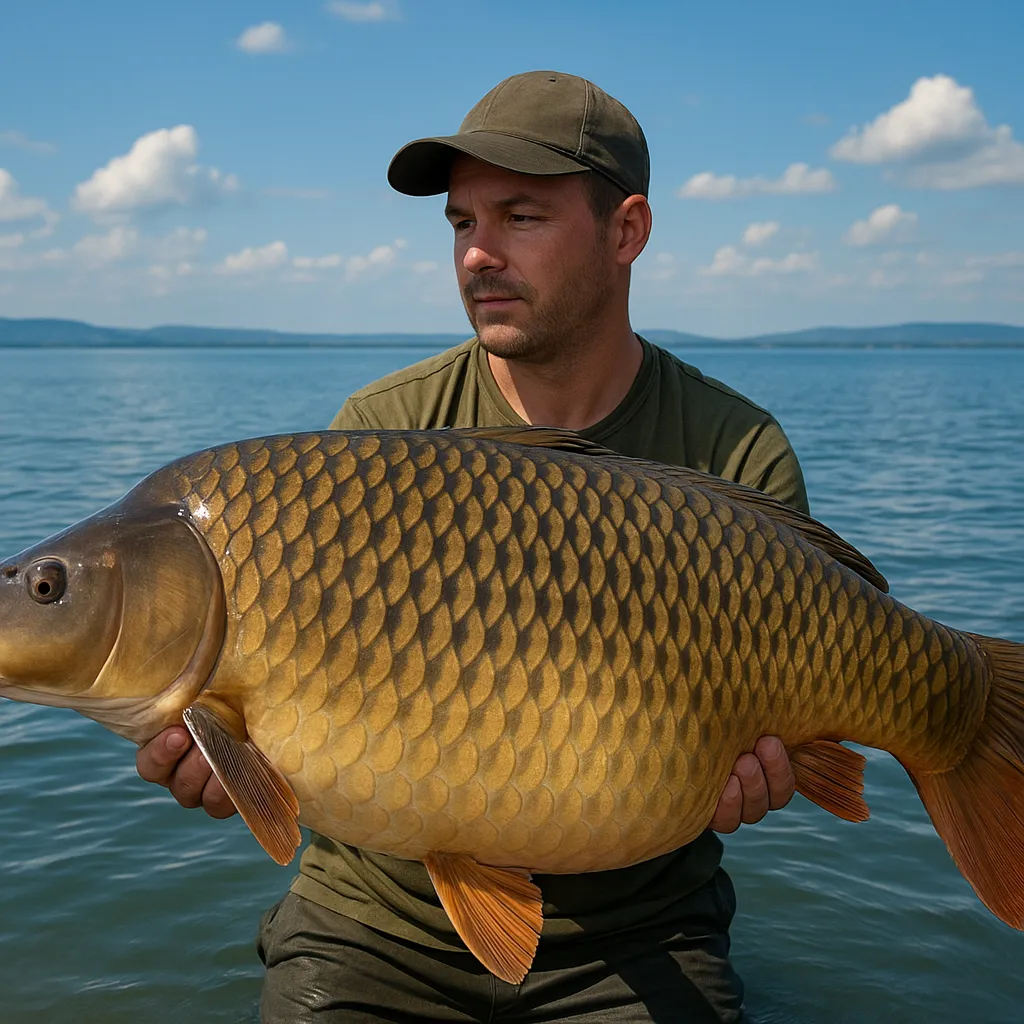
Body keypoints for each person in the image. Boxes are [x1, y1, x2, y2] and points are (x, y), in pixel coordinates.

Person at [137, 71, 804, 1022]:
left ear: (628, 232)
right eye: (461, 223)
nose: (479, 255)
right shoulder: (378, 433)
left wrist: (776, 766)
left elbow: (790, 742)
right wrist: (233, 760)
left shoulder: (737, 454)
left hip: (640, 928)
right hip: (378, 920)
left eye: (521, 216)